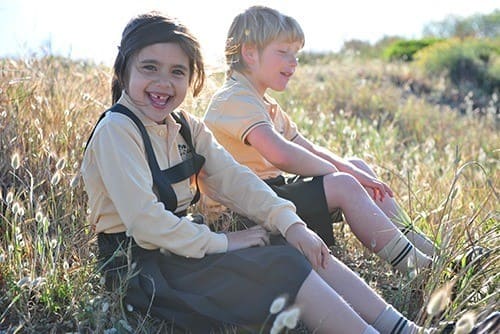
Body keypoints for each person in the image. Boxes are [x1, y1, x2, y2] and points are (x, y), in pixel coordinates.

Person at [80, 10, 476, 334]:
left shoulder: (185, 126)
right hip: (145, 271)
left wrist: (291, 223)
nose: (163, 83)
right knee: (285, 265)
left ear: (191, 77)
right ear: (124, 68)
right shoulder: (118, 129)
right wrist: (227, 244)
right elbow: (147, 224)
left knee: (291, 246)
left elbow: (237, 180)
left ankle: (405, 329)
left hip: (184, 250)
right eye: (150, 68)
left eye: (178, 72)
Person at [204, 5, 438, 275]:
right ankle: (418, 268)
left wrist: (350, 170)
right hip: (240, 212)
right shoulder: (234, 98)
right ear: (249, 53)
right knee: (345, 183)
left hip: (268, 195)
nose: (293, 62)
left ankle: (430, 251)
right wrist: (341, 175)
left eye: (296, 54)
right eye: (283, 52)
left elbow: (307, 147)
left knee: (356, 166)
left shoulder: (264, 103)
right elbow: (280, 154)